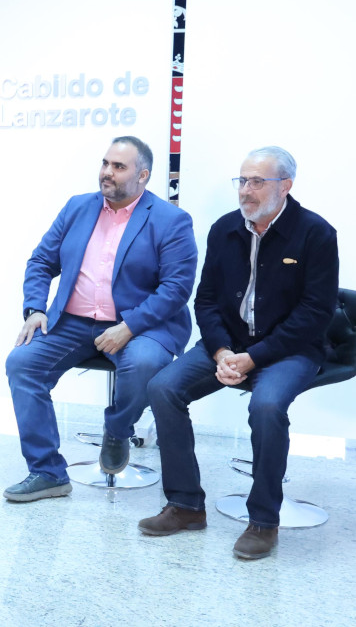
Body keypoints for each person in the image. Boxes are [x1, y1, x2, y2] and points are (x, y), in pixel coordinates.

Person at [138, 146, 338, 560]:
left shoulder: (316, 233)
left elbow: (314, 314)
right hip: (228, 345)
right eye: (242, 181)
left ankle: (263, 521)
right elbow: (206, 300)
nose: (246, 190)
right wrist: (221, 351)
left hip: (289, 350)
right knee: (163, 388)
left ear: (285, 186)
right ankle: (185, 505)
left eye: (257, 182)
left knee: (266, 406)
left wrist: (254, 357)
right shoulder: (225, 229)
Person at [4, 136, 197, 502]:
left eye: (119, 167)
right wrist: (35, 308)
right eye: (105, 163)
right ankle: (47, 472)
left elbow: (176, 288)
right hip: (73, 322)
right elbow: (41, 261)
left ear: (142, 176)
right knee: (22, 363)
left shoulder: (171, 220)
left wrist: (129, 327)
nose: (107, 172)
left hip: (140, 324)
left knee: (144, 362)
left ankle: (118, 429)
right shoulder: (77, 207)